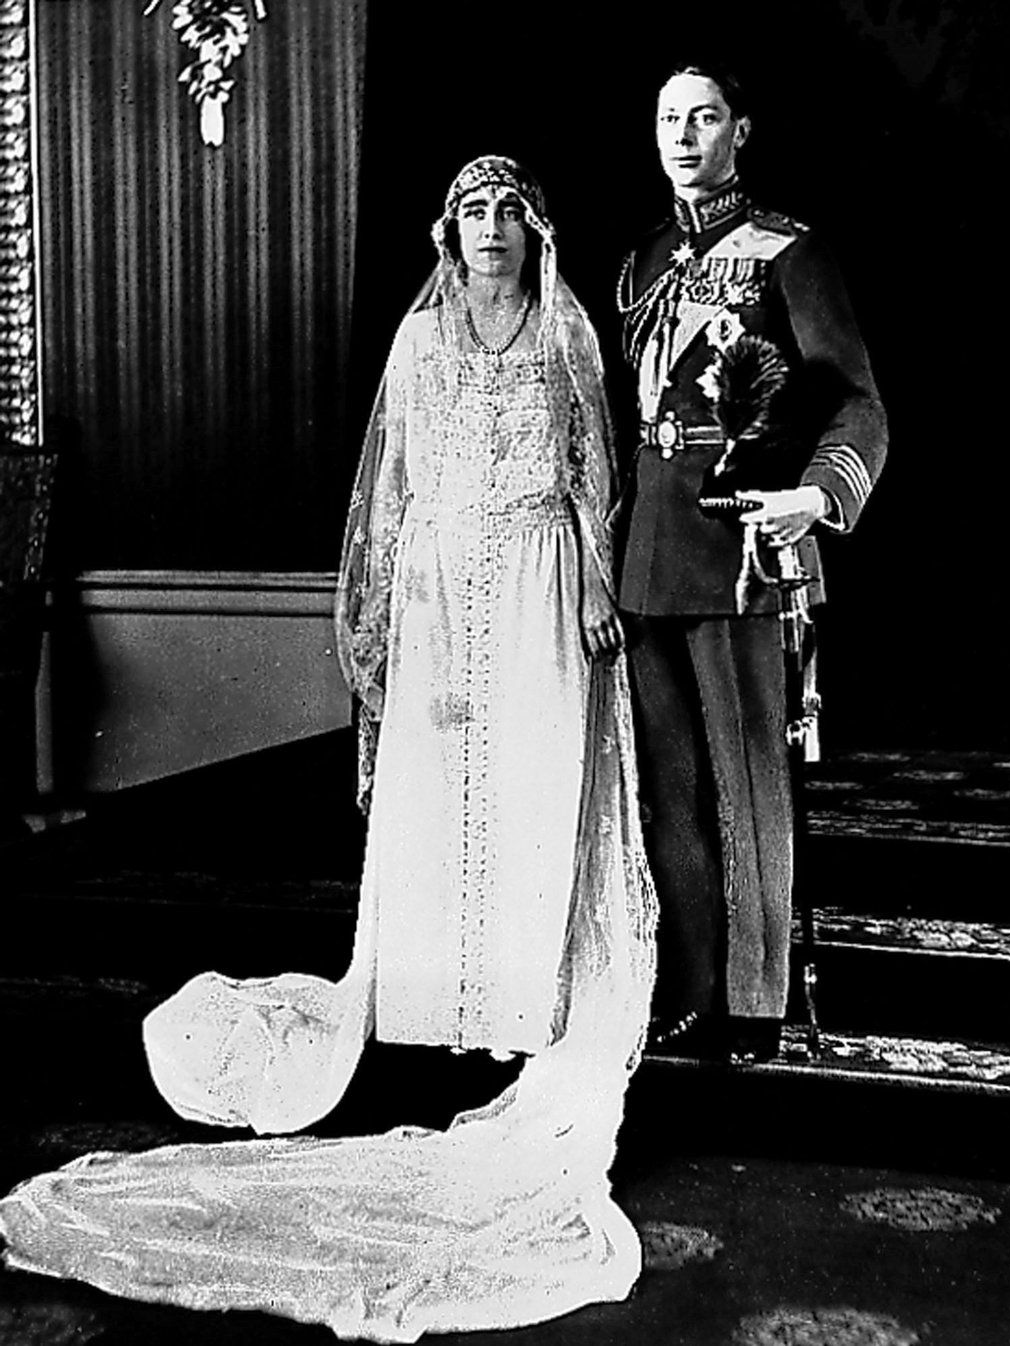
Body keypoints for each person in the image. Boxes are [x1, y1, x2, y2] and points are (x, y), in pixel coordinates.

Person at [0, 157, 657, 1342]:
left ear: (537, 229)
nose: (494, 229)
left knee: (528, 794)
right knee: (437, 796)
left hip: (541, 588)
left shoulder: (567, 334)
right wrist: (393, 625)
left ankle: (514, 1006)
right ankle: (420, 1005)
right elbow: (394, 488)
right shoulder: (417, 347)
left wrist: (598, 591)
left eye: (512, 210)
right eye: (474, 211)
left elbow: (587, 474)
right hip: (439, 588)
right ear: (446, 232)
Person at [616, 62, 887, 1063]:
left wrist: (820, 493)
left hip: (742, 546)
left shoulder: (789, 254)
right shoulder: (639, 262)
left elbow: (855, 399)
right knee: (666, 783)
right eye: (668, 120)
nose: (685, 135)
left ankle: (753, 1000)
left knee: (746, 780)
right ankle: (689, 987)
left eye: (705, 117)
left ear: (741, 130)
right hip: (647, 551)